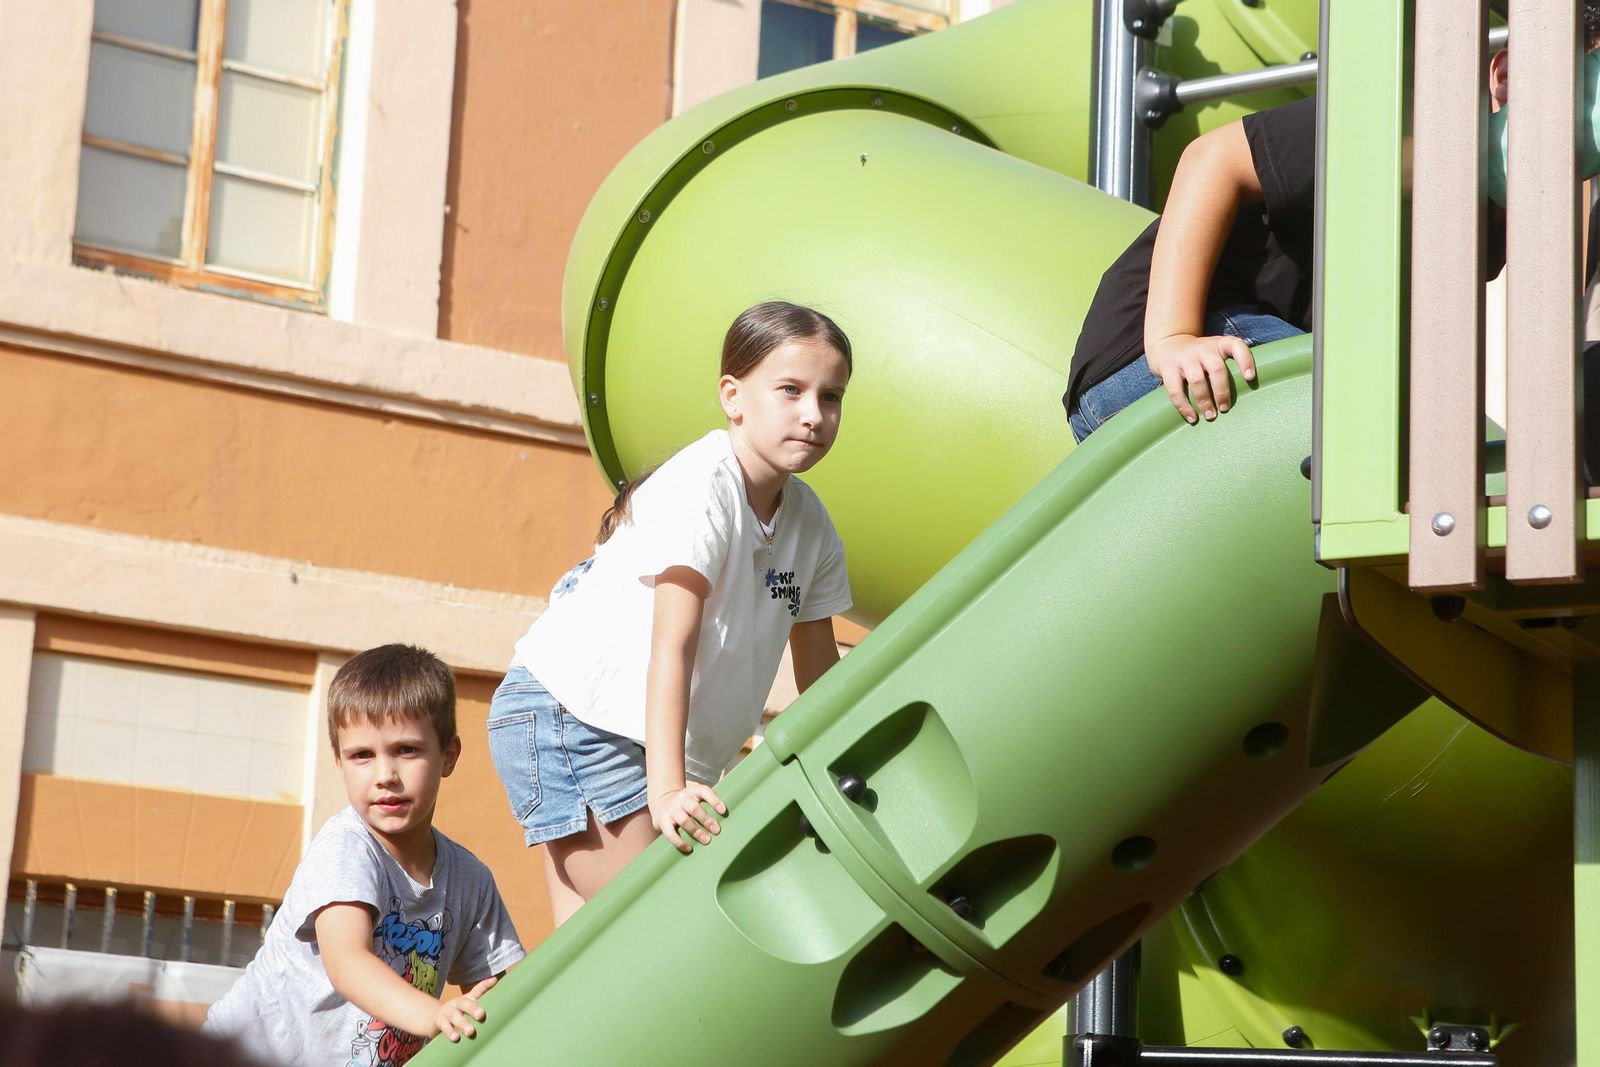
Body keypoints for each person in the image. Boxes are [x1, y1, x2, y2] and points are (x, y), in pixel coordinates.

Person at [1064, 6, 1600, 443]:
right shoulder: (1427, 128)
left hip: (1257, 339)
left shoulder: (1504, 213)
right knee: (1358, 422)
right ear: (1505, 76)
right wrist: (1173, 337)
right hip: (1161, 348)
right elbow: (1211, 161)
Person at [488, 300, 854, 926]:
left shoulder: (809, 524)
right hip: (578, 720)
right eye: (790, 390)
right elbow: (672, 646)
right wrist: (666, 792)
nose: (812, 415)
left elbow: (821, 676)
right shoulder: (702, 486)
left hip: (656, 746)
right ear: (732, 396)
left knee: (593, 957)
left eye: (831, 397)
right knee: (662, 922)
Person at [204, 644, 524, 1067]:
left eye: (406, 750)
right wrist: (434, 1014)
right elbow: (348, 962)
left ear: (448, 756)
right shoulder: (346, 848)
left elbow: (502, 992)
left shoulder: (469, 879)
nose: (385, 776)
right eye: (362, 756)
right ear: (339, 761)